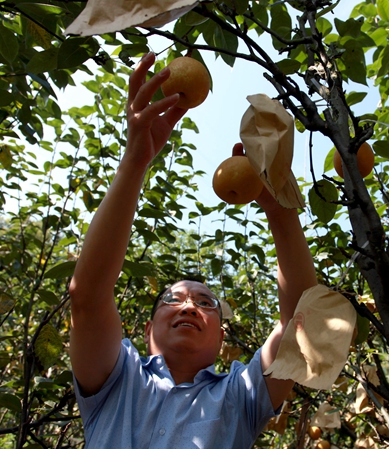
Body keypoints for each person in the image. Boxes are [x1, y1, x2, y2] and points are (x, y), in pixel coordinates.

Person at [68, 52, 318, 448]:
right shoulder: (117, 380)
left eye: (205, 303)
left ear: (221, 339)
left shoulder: (241, 394)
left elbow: (300, 325)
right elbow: (87, 296)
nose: (189, 306)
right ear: (146, 331)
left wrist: (279, 207)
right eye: (174, 299)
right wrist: (134, 162)